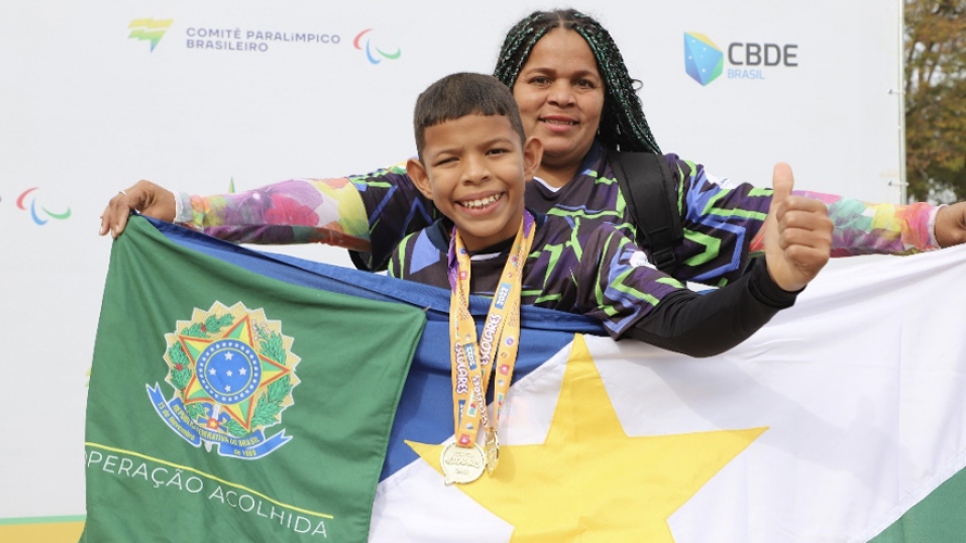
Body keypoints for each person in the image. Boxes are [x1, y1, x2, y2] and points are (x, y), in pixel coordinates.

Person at [99, 8, 966, 289]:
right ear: (503, 97)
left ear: (608, 98)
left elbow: (797, 218)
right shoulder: (428, 191)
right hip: (436, 473)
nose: (559, 96)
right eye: (539, 80)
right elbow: (310, 207)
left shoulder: (657, 189)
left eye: (582, 82)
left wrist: (936, 225)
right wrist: (189, 210)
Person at [389, 72, 831, 358]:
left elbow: (685, 324)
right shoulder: (409, 259)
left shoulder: (589, 248)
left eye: (495, 152)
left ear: (528, 158)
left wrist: (772, 284)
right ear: (422, 177)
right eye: (449, 160)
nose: (475, 174)